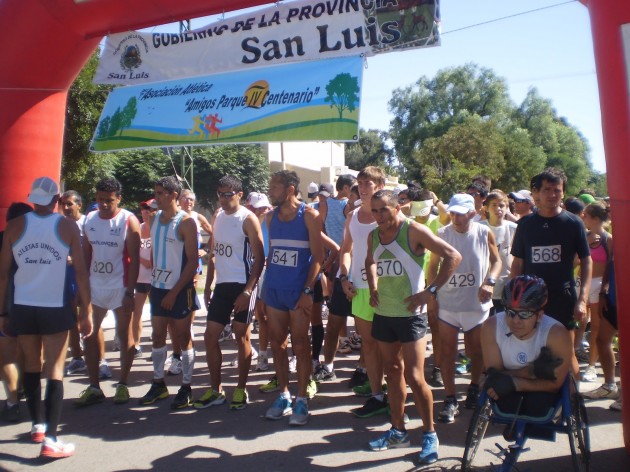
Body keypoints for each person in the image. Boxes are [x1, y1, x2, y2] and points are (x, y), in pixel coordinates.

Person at [365, 190, 461, 464]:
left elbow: (452, 256)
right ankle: (398, 430)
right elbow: (369, 261)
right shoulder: (373, 235)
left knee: (417, 378)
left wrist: (430, 291)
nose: (378, 216)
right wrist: (373, 286)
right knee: (393, 373)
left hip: (411, 316)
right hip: (384, 314)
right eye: (374, 210)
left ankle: (430, 433)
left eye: (383, 209)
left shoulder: (414, 231)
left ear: (397, 209)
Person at [0, 176, 92, 458]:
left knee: (30, 364)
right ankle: (50, 440)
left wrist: (2, 311)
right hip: (54, 305)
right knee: (53, 368)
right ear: (56, 199)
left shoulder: (14, 226)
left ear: (32, 198)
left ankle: (38, 424)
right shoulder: (66, 226)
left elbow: (3, 273)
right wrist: (85, 310)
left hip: (23, 304)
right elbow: (79, 271)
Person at [510, 168, 592, 376]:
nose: (552, 194)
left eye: (557, 190)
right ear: (537, 192)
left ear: (563, 192)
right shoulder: (526, 224)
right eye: (547, 189)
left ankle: (572, 402)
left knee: (566, 352)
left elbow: (586, 260)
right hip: (532, 300)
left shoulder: (573, 223)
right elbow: (518, 263)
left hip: (563, 298)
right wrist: (513, 298)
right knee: (532, 351)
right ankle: (537, 401)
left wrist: (582, 300)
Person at [428, 193, 501, 423]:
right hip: (449, 304)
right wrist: (433, 292)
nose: (456, 218)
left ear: (472, 213)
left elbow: (497, 261)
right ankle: (450, 399)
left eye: (461, 213)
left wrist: (490, 282)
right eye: (453, 213)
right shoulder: (442, 234)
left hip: (476, 305)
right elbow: (432, 266)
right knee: (447, 352)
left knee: (475, 351)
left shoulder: (483, 232)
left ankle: (473, 386)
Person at [195, 175, 264, 411]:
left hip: (243, 285)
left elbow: (260, 258)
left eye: (228, 194)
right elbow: (214, 253)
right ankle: (216, 390)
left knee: (240, 336)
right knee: (210, 336)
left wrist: (248, 291)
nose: (224, 199)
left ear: (239, 195)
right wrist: (209, 284)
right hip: (223, 285)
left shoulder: (248, 219)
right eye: (220, 194)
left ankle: (241, 389)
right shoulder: (218, 216)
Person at [263, 170, 323, 426]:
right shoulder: (268, 217)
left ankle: (301, 398)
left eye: (274, 187)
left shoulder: (309, 215)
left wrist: (308, 291)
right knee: (277, 343)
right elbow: (271, 254)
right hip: (274, 290)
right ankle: (284, 394)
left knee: (300, 344)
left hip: (299, 292)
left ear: (289, 189)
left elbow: (318, 257)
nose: (270, 191)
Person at [75, 178, 141, 407]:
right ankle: (94, 387)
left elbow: (134, 262)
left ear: (118, 199)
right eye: (101, 199)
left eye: (109, 201)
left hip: (119, 287)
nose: (104, 204)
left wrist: (130, 292)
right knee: (90, 336)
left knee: (124, 336)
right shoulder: (90, 220)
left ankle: (122, 385)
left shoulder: (128, 221)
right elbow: (85, 255)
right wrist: (81, 290)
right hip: (95, 287)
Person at [139, 176, 200, 410]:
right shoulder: (153, 221)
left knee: (182, 338)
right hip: (158, 288)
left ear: (174, 195)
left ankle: (186, 387)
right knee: (157, 335)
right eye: (156, 192)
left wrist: (175, 292)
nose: (157, 197)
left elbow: (193, 261)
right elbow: (155, 252)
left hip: (180, 289)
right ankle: (158, 383)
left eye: (161, 193)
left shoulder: (186, 222)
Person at [480, 276, 572, 421]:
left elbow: (555, 384)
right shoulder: (491, 327)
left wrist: (516, 383)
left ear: (540, 315)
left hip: (542, 393)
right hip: (512, 387)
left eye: (524, 314)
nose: (515, 321)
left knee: (537, 405)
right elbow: (494, 376)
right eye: (510, 312)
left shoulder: (557, 334)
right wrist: (532, 371)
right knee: (507, 404)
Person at [338, 166, 389, 418]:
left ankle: (394, 392)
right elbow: (345, 249)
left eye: (368, 183)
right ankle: (377, 393)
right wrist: (344, 277)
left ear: (380, 186)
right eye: (360, 183)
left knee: (389, 345)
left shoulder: (390, 215)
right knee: (368, 343)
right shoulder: (353, 216)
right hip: (359, 287)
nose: (363, 187)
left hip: (388, 289)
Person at [166, 189, 213, 376]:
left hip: (192, 263)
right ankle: (178, 349)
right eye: (187, 199)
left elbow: (213, 232)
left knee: (189, 296)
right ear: (180, 199)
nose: (190, 202)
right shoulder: (174, 217)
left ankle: (188, 329)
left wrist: (206, 251)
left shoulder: (197, 216)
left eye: (193, 200)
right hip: (173, 266)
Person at [0, 202, 33, 423]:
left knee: (7, 355)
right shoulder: (40, 242)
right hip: (36, 304)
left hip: (8, 304)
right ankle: (27, 395)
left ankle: (13, 402)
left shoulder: (3, 238)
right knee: (30, 353)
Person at [580, 202, 613, 383]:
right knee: (577, 322)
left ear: (595, 219)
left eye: (585, 216)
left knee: (597, 328)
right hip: (583, 283)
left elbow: (611, 265)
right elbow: (575, 261)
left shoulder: (609, 239)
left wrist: (605, 288)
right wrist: (586, 243)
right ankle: (571, 358)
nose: (583, 219)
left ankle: (592, 366)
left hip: (600, 286)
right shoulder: (583, 236)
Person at [60, 190, 88, 376]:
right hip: (66, 275)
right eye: (64, 204)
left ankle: (97, 358)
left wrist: (77, 258)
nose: (67, 207)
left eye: (70, 204)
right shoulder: (60, 224)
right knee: (71, 317)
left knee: (88, 316)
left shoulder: (88, 223)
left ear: (79, 205)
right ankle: (77, 357)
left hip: (86, 275)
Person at [480, 190, 517, 315]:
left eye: (501, 205)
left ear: (507, 208)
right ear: (486, 208)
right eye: (494, 205)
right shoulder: (479, 228)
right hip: (484, 284)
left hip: (506, 284)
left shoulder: (513, 228)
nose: (498, 209)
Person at [133, 199, 158, 357]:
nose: (146, 212)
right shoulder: (137, 229)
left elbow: (152, 262)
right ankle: (135, 345)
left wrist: (142, 260)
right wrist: (141, 260)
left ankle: (157, 347)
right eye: (143, 209)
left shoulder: (159, 229)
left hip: (155, 280)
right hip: (139, 278)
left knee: (156, 315)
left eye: (149, 209)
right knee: (136, 313)